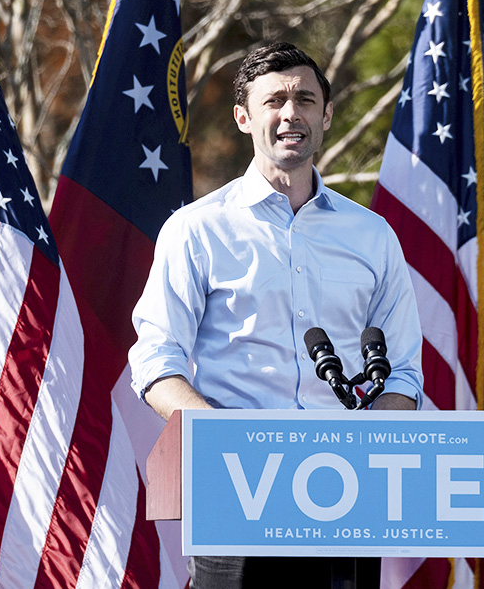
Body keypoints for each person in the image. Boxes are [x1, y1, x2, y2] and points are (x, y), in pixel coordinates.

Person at [128, 42, 423, 588]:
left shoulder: (373, 236)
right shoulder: (196, 230)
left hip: (346, 500)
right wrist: (218, 435)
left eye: (306, 100)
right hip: (236, 494)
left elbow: (402, 370)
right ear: (243, 117)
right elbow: (154, 359)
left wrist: (370, 443)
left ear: (326, 115)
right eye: (274, 101)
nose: (292, 113)